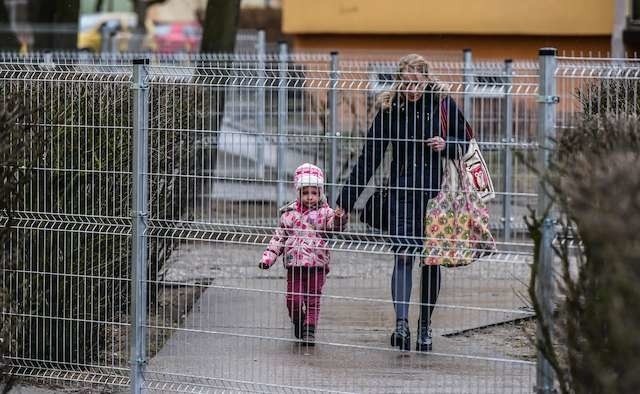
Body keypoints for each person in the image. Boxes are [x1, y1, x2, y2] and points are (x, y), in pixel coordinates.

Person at [336, 54, 469, 352]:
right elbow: (369, 158)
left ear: (426, 78)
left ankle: (425, 328)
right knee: (403, 256)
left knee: (432, 262)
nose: (411, 88)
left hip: (437, 198)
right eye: (405, 82)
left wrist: (447, 145)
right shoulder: (390, 109)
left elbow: (468, 143)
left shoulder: (443, 105)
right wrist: (345, 201)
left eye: (416, 81)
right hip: (401, 194)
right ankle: (401, 326)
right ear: (399, 80)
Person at [259, 163, 348, 346]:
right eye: (305, 192)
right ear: (298, 192)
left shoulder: (325, 213)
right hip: (295, 265)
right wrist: (268, 258)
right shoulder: (289, 215)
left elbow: (334, 225)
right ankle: (298, 320)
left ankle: (310, 329)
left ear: (320, 193)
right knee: (293, 298)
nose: (310, 197)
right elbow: (278, 239)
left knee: (313, 297)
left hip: (317, 264)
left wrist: (339, 218)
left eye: (314, 193)